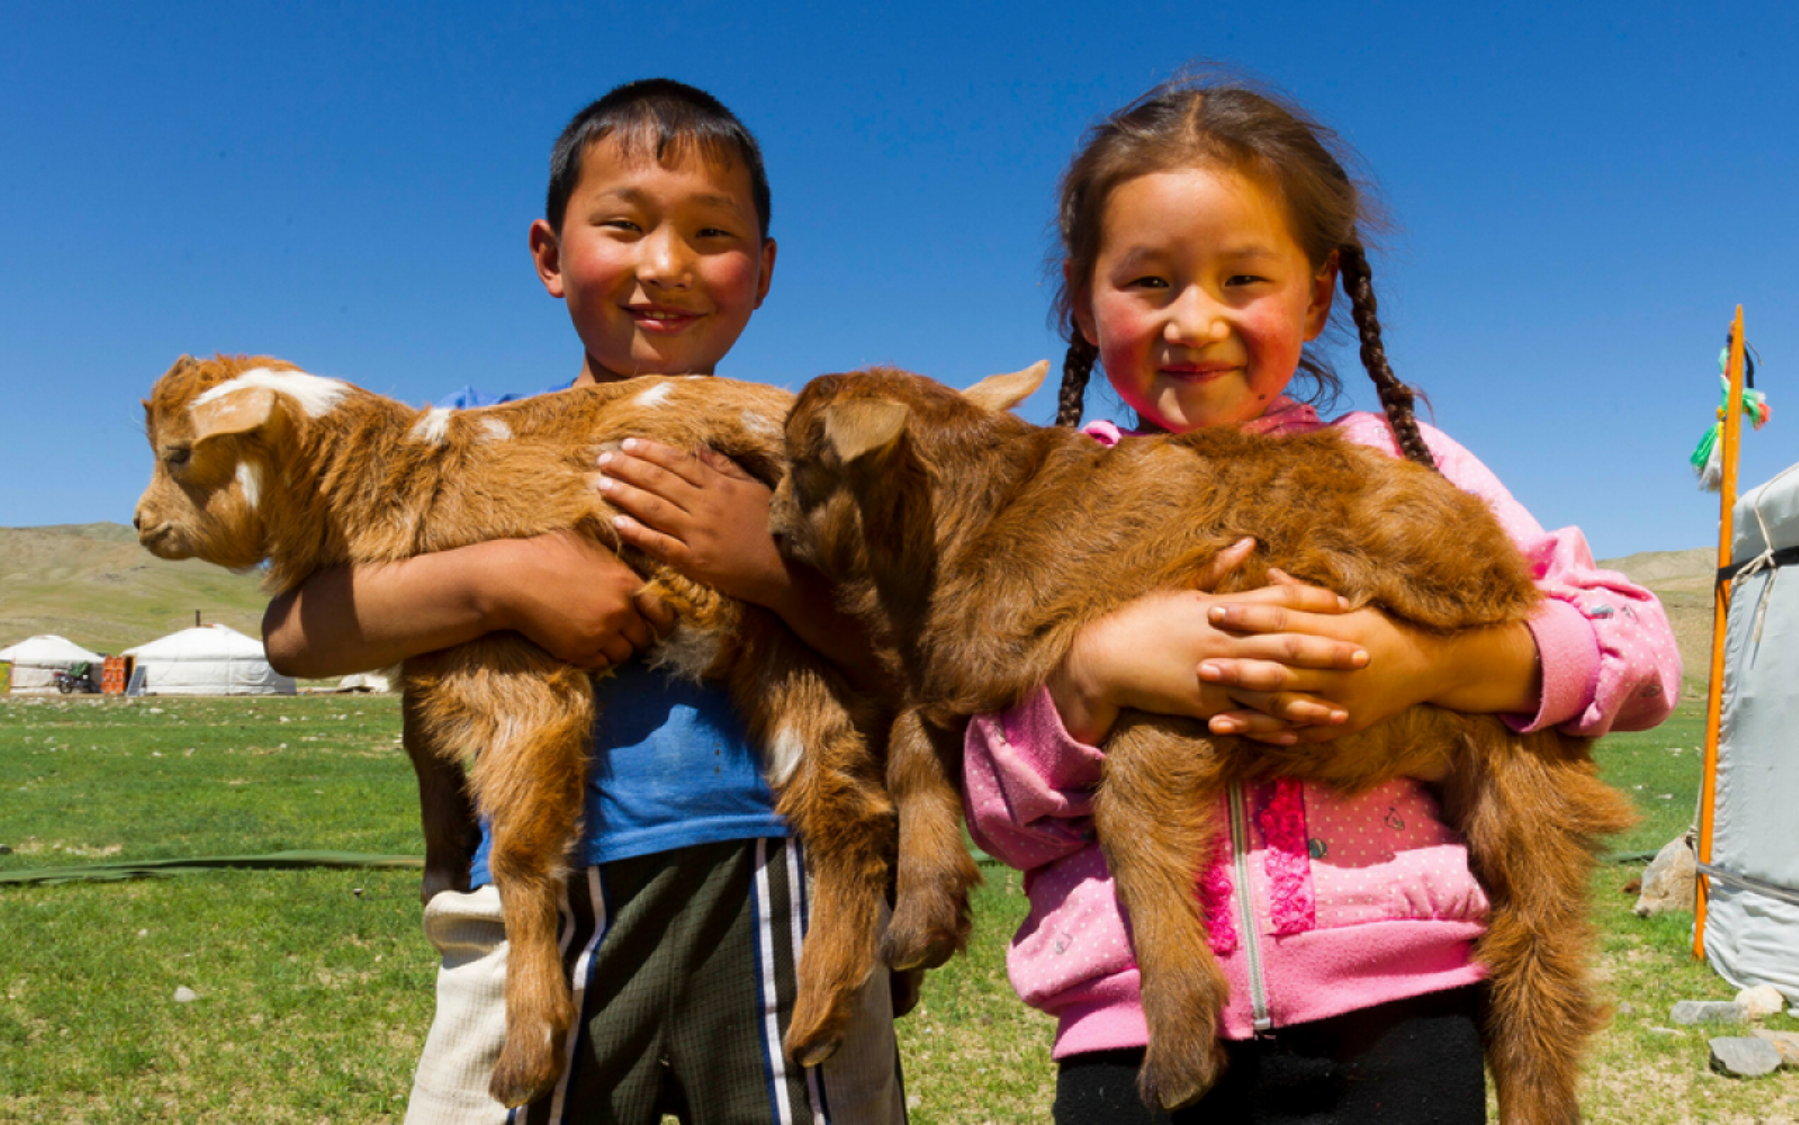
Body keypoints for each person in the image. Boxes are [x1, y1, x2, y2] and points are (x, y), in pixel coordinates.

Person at [961, 79, 1681, 1125]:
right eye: (1148, 281)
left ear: (1315, 294)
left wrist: (1425, 665)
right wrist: (1094, 674)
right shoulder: (1047, 513)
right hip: (1134, 1031)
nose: (1191, 320)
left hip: (1396, 1014)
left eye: (1241, 277)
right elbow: (999, 809)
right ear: (1081, 298)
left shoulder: (1407, 467)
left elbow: (1635, 644)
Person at [262, 79, 906, 1125]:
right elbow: (295, 634)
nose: (666, 265)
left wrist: (762, 564)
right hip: (535, 901)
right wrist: (497, 576)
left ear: (765, 271)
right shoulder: (468, 442)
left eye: (711, 233)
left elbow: (916, 661)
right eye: (622, 225)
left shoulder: (806, 455)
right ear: (548, 257)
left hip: (779, 883)